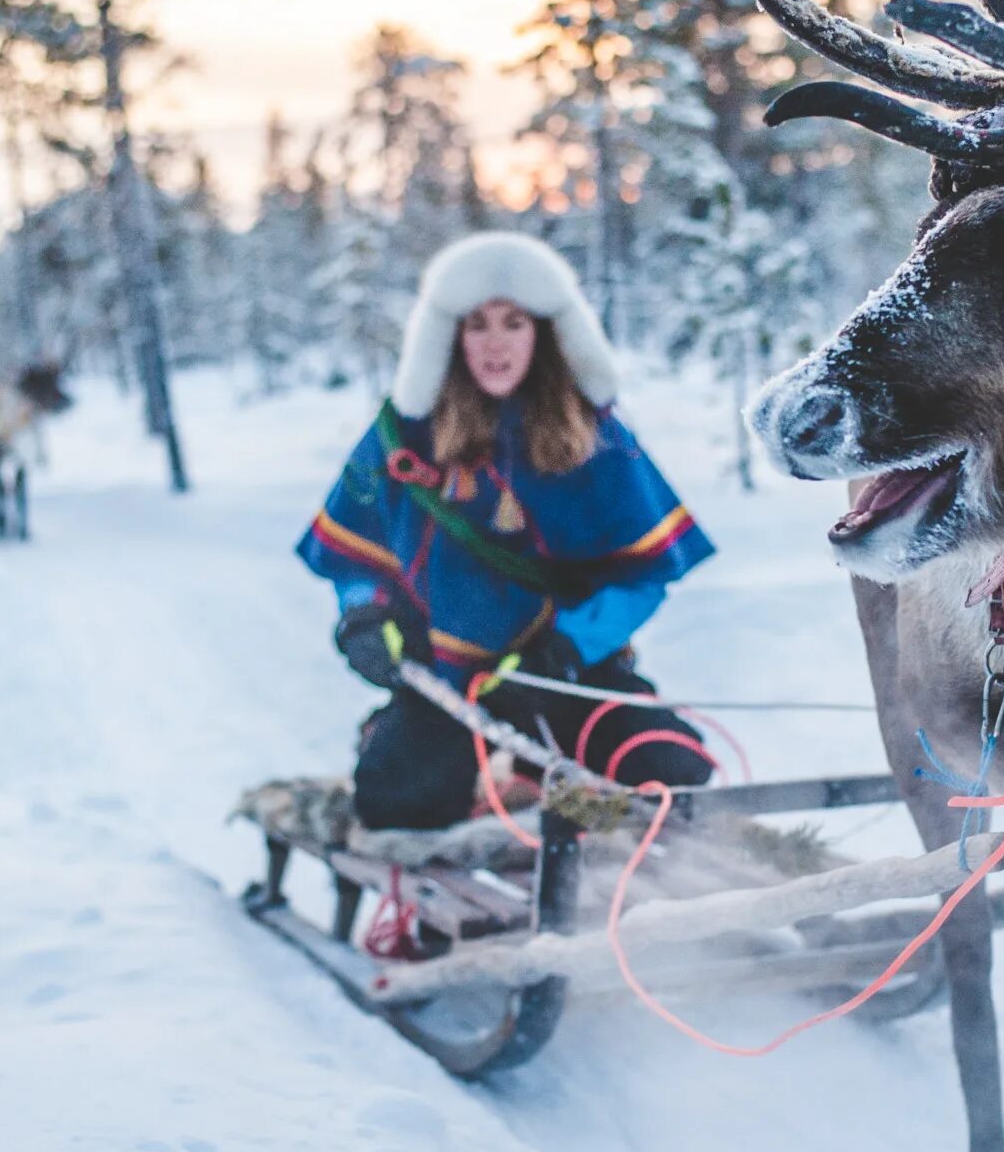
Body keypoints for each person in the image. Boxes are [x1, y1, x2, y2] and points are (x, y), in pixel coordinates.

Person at [299, 233, 718, 832]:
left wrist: (571, 649)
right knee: (399, 803)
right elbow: (354, 561)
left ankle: (528, 783)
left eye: (514, 323)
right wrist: (362, 616)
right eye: (476, 325)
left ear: (544, 333)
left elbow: (644, 576)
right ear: (448, 336)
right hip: (445, 683)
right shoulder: (400, 437)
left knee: (670, 771)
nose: (495, 344)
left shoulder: (600, 440)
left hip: (571, 676)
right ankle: (412, 746)